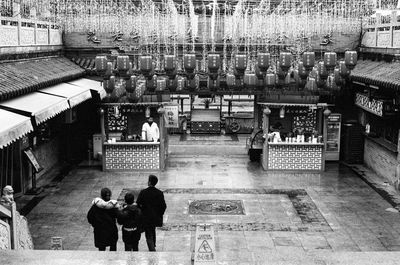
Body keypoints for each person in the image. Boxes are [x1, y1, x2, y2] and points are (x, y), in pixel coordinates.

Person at [136, 175, 167, 251]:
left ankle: (152, 250)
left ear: (149, 182)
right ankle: (153, 245)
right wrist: (160, 214)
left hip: (146, 217)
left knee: (148, 234)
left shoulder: (143, 192)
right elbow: (163, 206)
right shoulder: (159, 193)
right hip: (155, 217)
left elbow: (138, 203)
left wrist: (142, 211)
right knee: (152, 230)